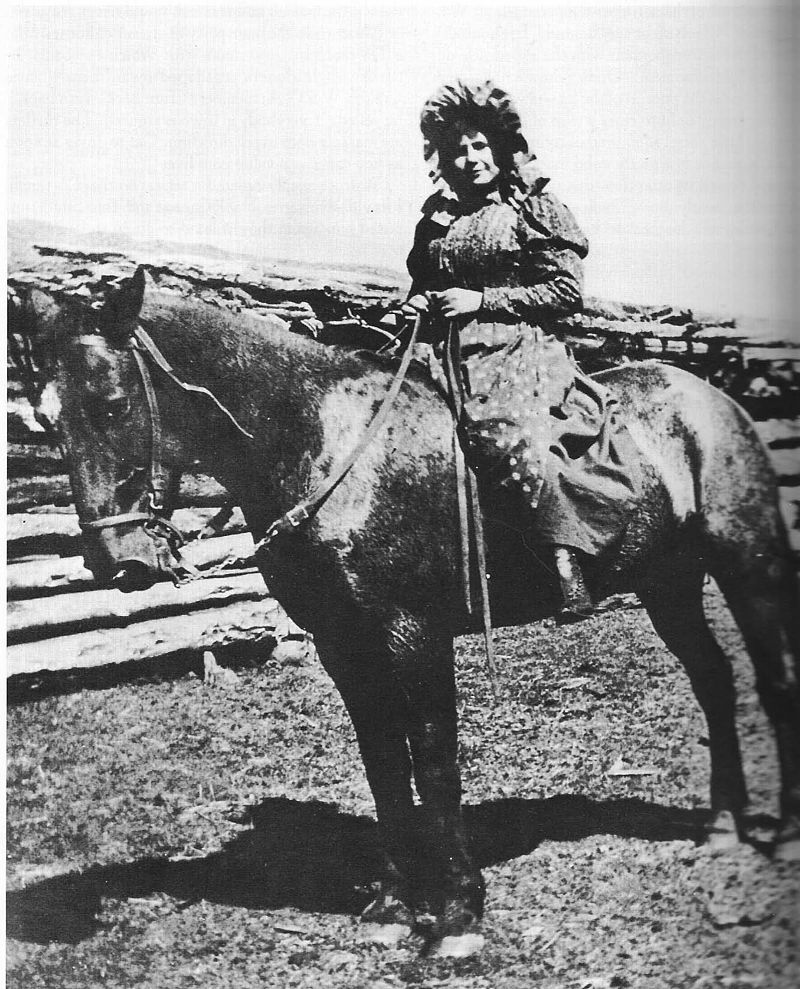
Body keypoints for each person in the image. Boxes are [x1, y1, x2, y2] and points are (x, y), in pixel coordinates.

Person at [402, 80, 642, 622]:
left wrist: (482, 299)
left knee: (516, 439)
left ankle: (569, 565)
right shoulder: (438, 218)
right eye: (458, 149)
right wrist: (417, 305)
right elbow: (421, 282)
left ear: (501, 147)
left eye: (480, 145)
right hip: (443, 353)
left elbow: (564, 292)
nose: (470, 158)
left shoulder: (534, 206)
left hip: (521, 350)